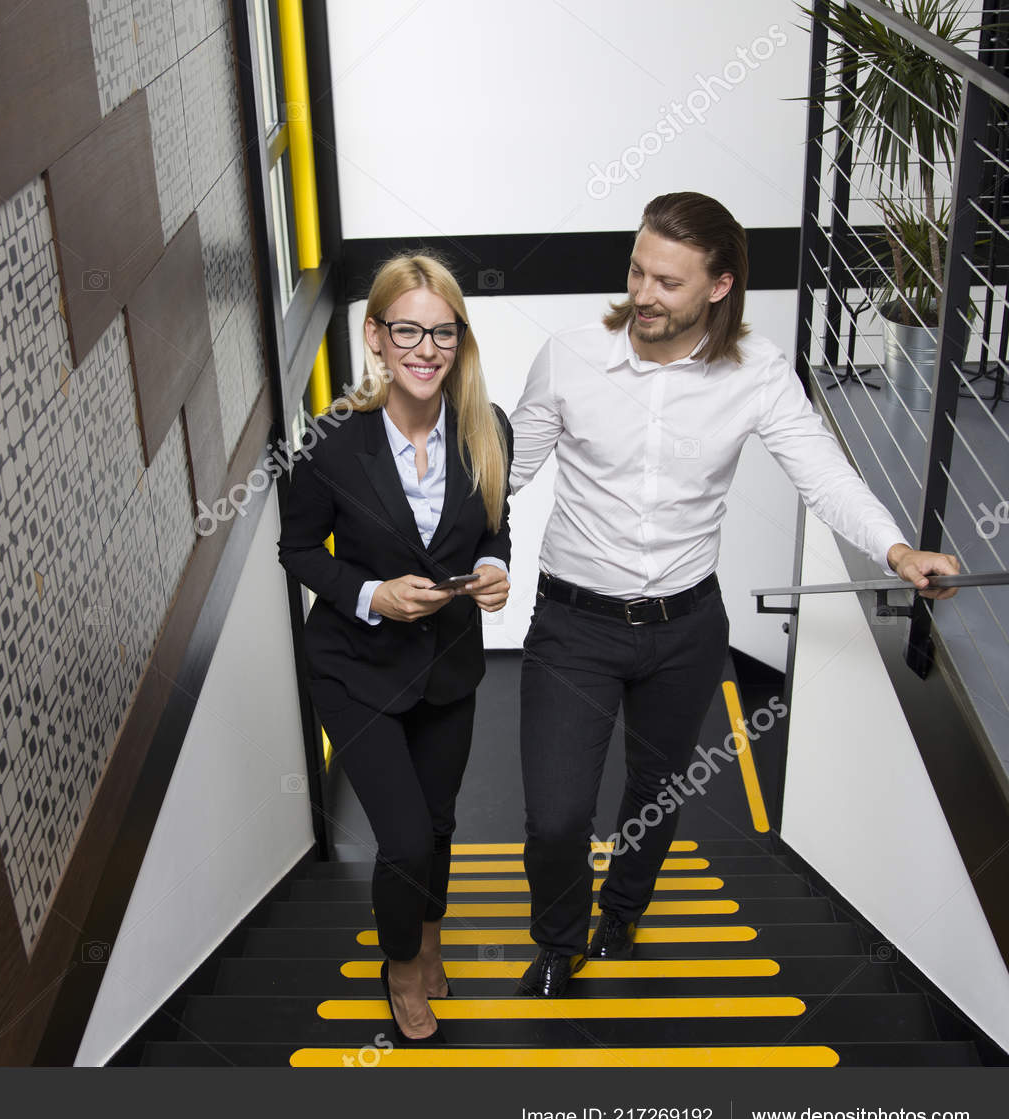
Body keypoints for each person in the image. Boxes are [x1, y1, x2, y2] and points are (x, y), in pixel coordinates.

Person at [506, 191, 960, 997]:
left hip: (686, 628)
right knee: (556, 815)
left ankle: (623, 913)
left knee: (654, 792)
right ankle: (557, 939)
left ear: (718, 287)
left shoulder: (756, 375)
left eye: (667, 282)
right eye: (637, 270)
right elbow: (505, 471)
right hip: (573, 623)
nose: (643, 294)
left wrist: (893, 546)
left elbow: (821, 471)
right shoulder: (569, 355)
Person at [277, 254, 514, 1042]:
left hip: (448, 663)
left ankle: (431, 927)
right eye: (407, 329)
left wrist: (493, 567)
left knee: (439, 822)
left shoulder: (489, 427)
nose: (426, 348)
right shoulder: (333, 440)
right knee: (406, 836)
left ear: (459, 338)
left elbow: (493, 528)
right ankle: (401, 963)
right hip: (357, 668)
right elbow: (300, 550)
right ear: (375, 337)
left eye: (442, 331)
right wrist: (373, 595)